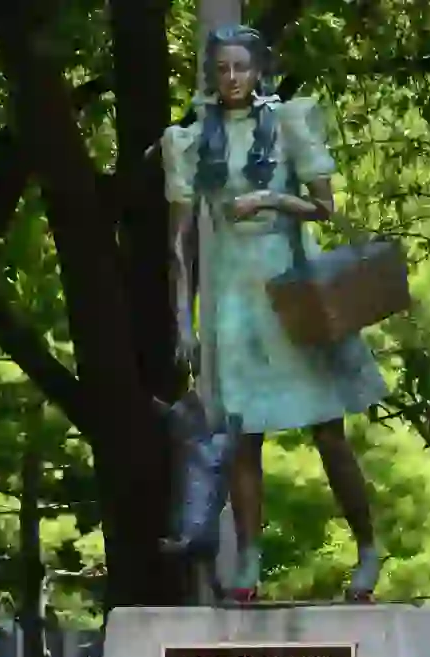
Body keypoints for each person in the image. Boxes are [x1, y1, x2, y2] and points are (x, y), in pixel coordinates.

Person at [161, 24, 389, 602]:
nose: (232, 78)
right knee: (243, 438)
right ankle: (250, 560)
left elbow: (324, 207)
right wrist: (184, 323)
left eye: (241, 67)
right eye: (221, 69)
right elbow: (178, 243)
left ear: (257, 70)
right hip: (233, 298)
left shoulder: (288, 122)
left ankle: (367, 546)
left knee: (328, 430)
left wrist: (268, 199)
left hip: (291, 286)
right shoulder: (188, 141)